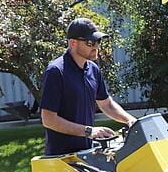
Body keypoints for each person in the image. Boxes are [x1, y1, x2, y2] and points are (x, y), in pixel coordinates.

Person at [39, 18, 137, 156]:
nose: (96, 46)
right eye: (90, 42)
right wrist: (89, 131)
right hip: (61, 158)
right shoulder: (56, 71)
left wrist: (130, 120)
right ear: (73, 43)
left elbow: (107, 104)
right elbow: (48, 120)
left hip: (87, 153)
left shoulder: (93, 69)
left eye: (98, 41)